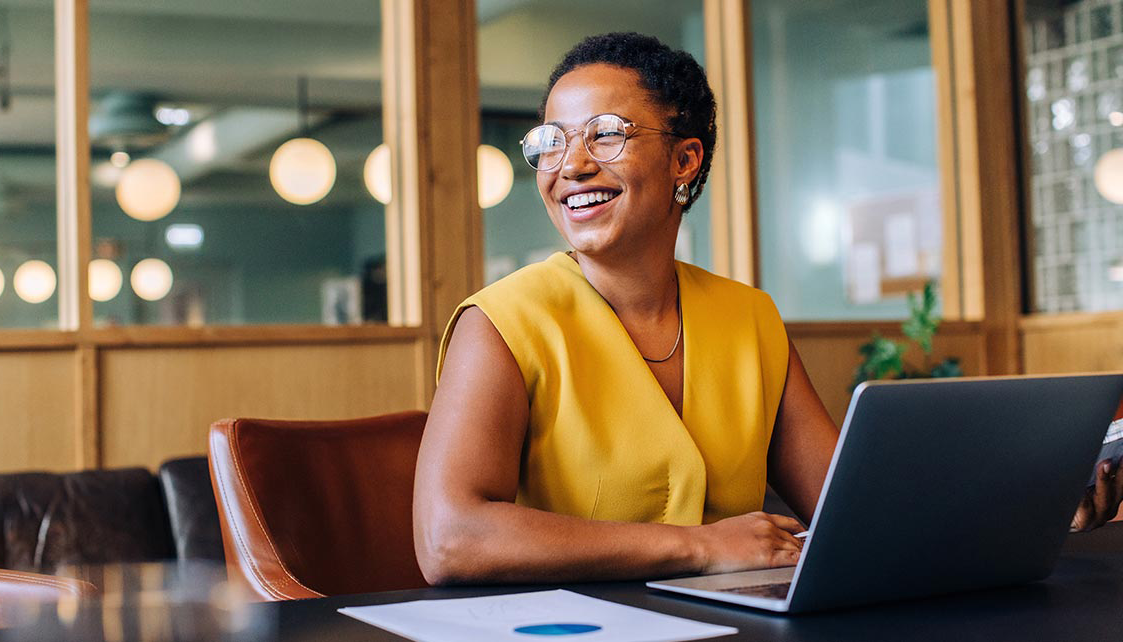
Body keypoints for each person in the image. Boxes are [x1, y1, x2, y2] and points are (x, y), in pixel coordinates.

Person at [413, 32, 1122, 586]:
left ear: (684, 160)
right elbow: (450, 540)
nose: (569, 165)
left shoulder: (746, 316)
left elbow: (850, 510)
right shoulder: (500, 322)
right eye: (552, 142)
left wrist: (1031, 514)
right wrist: (696, 549)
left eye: (605, 133)